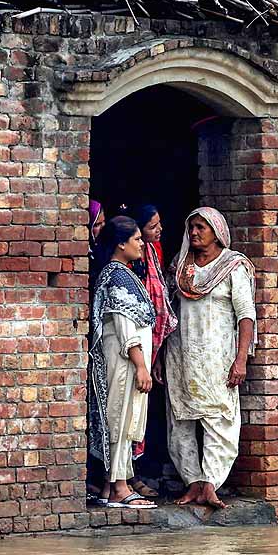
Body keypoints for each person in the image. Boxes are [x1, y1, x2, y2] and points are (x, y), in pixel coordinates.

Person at [164, 207, 256, 509]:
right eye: (191, 227)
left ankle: (211, 483)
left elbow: (245, 316)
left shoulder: (232, 266)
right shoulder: (180, 267)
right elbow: (167, 311)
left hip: (218, 357)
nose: (194, 233)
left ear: (216, 232)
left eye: (201, 227)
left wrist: (240, 359)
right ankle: (192, 483)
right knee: (181, 419)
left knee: (220, 419)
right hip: (182, 353)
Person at [88, 216, 158, 509]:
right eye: (137, 239)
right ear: (121, 243)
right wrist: (141, 365)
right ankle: (119, 487)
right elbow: (125, 327)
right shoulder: (116, 275)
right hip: (123, 360)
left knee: (120, 417)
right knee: (120, 418)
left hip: (126, 360)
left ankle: (109, 486)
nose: (143, 244)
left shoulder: (122, 273)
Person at [125, 206, 178, 495]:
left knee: (147, 412)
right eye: (152, 227)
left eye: (159, 225)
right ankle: (128, 477)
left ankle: (147, 470)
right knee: (130, 414)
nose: (158, 232)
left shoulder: (154, 256)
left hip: (151, 345)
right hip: (133, 349)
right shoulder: (129, 266)